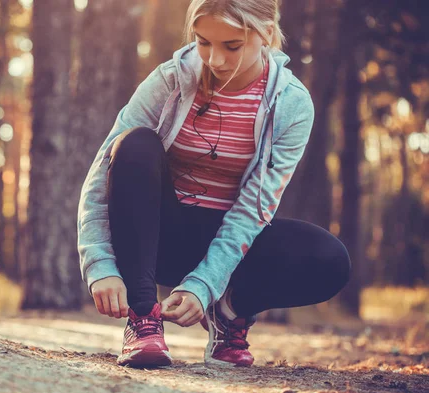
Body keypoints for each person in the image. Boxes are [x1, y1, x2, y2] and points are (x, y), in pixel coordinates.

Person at [77, 0, 351, 368]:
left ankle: (230, 313)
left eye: (232, 46)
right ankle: (143, 318)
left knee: (330, 260)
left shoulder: (292, 105)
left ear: (266, 34)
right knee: (134, 144)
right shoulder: (170, 80)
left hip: (231, 244)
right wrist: (101, 265)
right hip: (157, 238)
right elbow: (103, 172)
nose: (214, 59)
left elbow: (254, 209)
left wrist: (205, 285)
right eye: (203, 42)